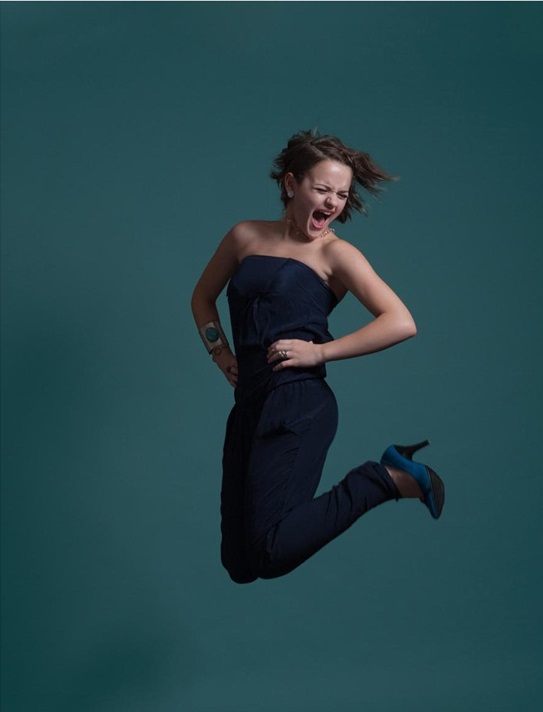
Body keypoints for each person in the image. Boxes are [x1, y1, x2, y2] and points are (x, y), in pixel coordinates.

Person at [191, 129, 445, 584]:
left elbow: (401, 321)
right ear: (292, 184)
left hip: (298, 404)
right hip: (248, 403)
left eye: (341, 195)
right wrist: (220, 352)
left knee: (270, 553)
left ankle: (383, 479)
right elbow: (202, 298)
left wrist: (320, 352)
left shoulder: (336, 254)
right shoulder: (244, 236)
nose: (332, 203)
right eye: (323, 189)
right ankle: (389, 473)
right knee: (240, 564)